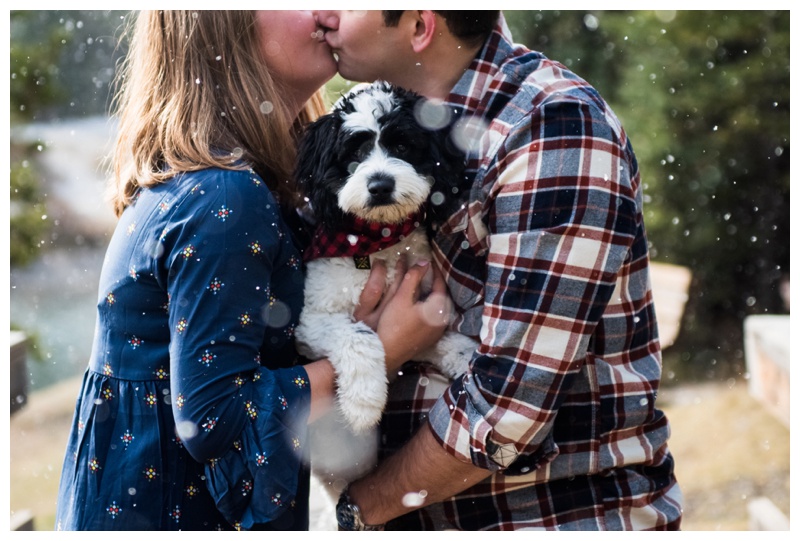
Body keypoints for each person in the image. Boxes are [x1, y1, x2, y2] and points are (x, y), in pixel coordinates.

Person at [54, 10, 448, 531]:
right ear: (225, 29)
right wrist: (385, 346)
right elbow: (215, 418)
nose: (327, 13)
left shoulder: (242, 178)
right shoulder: (225, 197)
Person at [315, 10, 684, 530]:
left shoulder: (551, 129)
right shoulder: (405, 124)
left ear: (420, 25)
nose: (323, 13)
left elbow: (509, 410)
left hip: (547, 517)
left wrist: (357, 512)